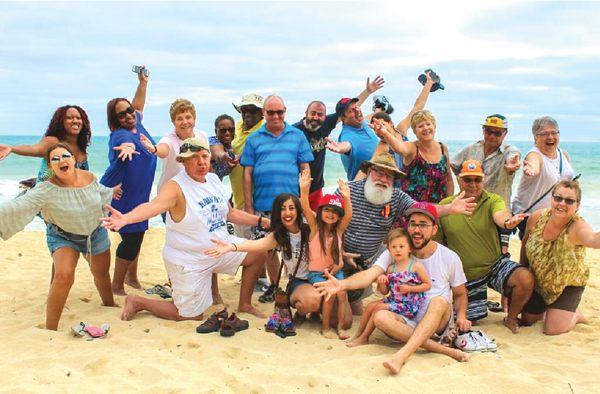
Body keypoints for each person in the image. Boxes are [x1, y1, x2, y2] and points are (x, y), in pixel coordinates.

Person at [101, 137, 268, 320]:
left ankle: (245, 304)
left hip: (220, 248)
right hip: (188, 259)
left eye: (204, 156)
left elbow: (229, 214)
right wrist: (126, 218)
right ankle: (138, 302)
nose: (201, 162)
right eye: (193, 157)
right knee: (190, 316)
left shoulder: (212, 180)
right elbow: (153, 206)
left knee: (258, 252)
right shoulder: (175, 187)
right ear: (183, 161)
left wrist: (261, 221)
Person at [315, 202, 471, 374]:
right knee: (380, 316)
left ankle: (401, 356)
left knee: (440, 301)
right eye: (413, 224)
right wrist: (341, 284)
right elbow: (370, 274)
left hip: (436, 321)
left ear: (434, 229)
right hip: (406, 319)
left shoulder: (449, 257)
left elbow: (460, 294)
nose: (417, 230)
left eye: (423, 224)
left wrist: (462, 316)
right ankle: (444, 350)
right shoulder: (396, 251)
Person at [0, 143, 118, 330]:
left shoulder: (89, 177)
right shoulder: (45, 189)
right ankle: (50, 329)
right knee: (63, 276)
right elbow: (18, 206)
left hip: (95, 234)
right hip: (64, 236)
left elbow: (102, 192)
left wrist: (113, 192)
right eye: (55, 159)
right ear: (50, 167)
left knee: (101, 274)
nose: (61, 160)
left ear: (73, 159)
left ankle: (109, 305)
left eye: (65, 156)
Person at [437, 159, 534, 333]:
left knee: (525, 279)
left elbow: (500, 214)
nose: (473, 184)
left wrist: (508, 222)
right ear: (459, 180)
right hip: (467, 275)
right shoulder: (446, 206)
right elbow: (439, 245)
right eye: (468, 180)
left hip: (495, 266)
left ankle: (511, 317)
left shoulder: (492, 200)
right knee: (469, 322)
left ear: (484, 180)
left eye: (477, 179)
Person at [240, 95, 313, 302]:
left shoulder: (298, 136)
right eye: (270, 112)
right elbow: (247, 174)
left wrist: (304, 200)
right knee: (268, 250)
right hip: (263, 205)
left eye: (279, 112)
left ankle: (294, 282)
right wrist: (248, 207)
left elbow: (305, 168)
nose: (275, 116)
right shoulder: (253, 139)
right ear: (264, 113)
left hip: (292, 206)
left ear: (285, 111)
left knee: (295, 248)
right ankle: (274, 285)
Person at [100, 66, 157, 296]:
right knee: (131, 239)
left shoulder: (137, 122)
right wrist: (126, 147)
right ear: (115, 120)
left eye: (129, 110)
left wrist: (143, 83)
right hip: (123, 194)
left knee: (139, 233)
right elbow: (126, 144)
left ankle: (132, 277)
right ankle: (116, 285)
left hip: (139, 193)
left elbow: (139, 104)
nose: (128, 115)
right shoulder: (120, 134)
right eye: (121, 114)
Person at [520, 180, 600, 335]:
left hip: (568, 285)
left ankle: (574, 315)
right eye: (558, 198)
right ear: (552, 199)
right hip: (539, 282)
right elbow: (524, 243)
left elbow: (593, 240)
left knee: (552, 330)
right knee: (528, 321)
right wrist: (522, 271)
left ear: (577, 205)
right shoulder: (536, 217)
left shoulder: (577, 227)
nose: (562, 204)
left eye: (569, 201)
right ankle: (555, 311)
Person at [293, 76, 385, 210]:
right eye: (313, 113)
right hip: (297, 189)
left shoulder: (325, 124)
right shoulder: (294, 131)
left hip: (317, 188)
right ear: (306, 113)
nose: (316, 117)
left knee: (316, 226)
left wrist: (368, 91)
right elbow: (347, 144)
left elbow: (352, 109)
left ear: (325, 116)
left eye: (320, 115)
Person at [346, 228, 431, 348]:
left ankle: (365, 337)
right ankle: (358, 334)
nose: (398, 250)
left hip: (408, 305)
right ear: (389, 250)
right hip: (394, 301)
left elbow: (427, 285)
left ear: (410, 248)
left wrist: (410, 289)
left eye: (402, 246)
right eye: (394, 247)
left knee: (379, 307)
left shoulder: (415, 266)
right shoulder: (391, 268)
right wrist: (382, 281)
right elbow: (385, 292)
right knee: (370, 306)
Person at [451, 114, 521, 254]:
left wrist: (512, 164)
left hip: (497, 210)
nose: (492, 136)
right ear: (483, 130)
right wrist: (463, 184)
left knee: (500, 252)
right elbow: (454, 165)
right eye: (489, 131)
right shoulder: (471, 149)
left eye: (497, 133)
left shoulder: (509, 151)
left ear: (505, 134)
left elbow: (513, 158)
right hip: (472, 208)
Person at [299, 170, 352, 339]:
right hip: (317, 273)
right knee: (330, 294)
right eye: (327, 210)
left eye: (335, 211)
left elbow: (349, 215)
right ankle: (325, 327)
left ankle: (341, 327)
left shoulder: (339, 230)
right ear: (321, 211)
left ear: (338, 217)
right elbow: (306, 208)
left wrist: (347, 197)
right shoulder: (315, 228)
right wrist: (304, 189)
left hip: (336, 272)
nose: (330, 214)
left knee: (342, 293)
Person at [371, 111, 454, 203]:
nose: (425, 128)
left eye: (428, 124)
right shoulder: (412, 148)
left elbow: (449, 179)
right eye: (420, 126)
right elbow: (399, 148)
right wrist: (385, 133)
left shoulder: (443, 148)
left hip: (438, 208)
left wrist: (448, 203)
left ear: (434, 127)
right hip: (412, 209)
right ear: (414, 131)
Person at [513, 116, 575, 238]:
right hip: (529, 216)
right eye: (545, 134)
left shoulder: (563, 154)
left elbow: (567, 181)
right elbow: (534, 165)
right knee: (537, 254)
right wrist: (531, 169)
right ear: (535, 137)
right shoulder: (534, 155)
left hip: (553, 216)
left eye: (554, 132)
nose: (550, 137)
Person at [0, 105, 92, 181]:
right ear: (61, 122)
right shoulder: (53, 142)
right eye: (69, 118)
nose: (75, 121)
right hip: (45, 196)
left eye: (78, 118)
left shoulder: (81, 146)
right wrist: (12, 148)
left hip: (70, 197)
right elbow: (33, 149)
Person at [139, 98, 208, 192]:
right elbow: (163, 150)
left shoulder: (202, 136)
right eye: (179, 118)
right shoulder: (169, 139)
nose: (185, 122)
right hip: (169, 191)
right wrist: (154, 149)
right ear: (173, 122)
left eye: (188, 117)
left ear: (194, 119)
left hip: (192, 190)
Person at [229, 93, 265, 223]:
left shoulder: (264, 130)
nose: (247, 114)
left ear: (262, 112)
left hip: (255, 199)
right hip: (237, 196)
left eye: (252, 110)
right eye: (244, 110)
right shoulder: (237, 127)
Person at [325, 97, 379, 181]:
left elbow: (368, 118)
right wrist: (339, 147)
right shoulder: (347, 135)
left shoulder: (362, 122)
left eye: (356, 107)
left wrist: (378, 110)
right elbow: (346, 145)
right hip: (361, 189)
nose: (357, 111)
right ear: (343, 118)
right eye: (351, 111)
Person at [209, 114, 238, 180]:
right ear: (216, 132)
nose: (227, 133)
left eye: (231, 130)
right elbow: (217, 153)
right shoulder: (212, 142)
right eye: (223, 130)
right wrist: (224, 156)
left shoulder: (232, 147)